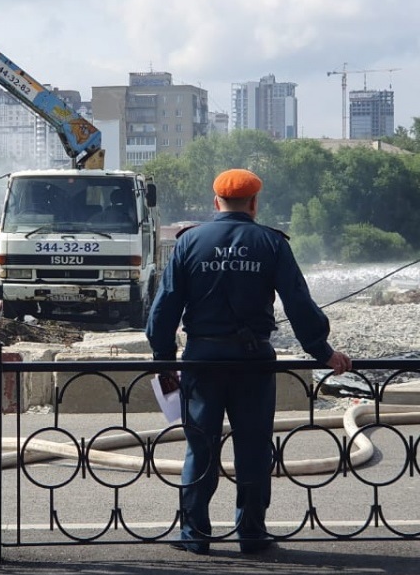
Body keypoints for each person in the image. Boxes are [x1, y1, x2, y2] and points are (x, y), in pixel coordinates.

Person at [145, 168, 352, 555]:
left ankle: (195, 535)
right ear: (255, 203)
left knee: (200, 448)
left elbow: (165, 305)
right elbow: (298, 302)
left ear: (215, 202)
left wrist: (163, 359)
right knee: (254, 447)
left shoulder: (189, 243)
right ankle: (252, 533)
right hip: (254, 361)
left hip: (202, 361)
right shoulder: (271, 243)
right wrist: (322, 352)